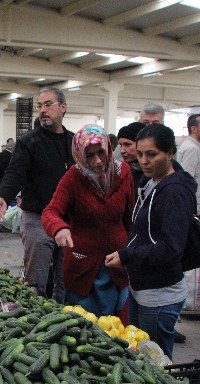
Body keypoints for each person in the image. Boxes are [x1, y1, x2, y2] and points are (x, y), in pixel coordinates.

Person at [105, 124, 196, 360]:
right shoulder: (152, 183)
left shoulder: (174, 192)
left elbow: (170, 249)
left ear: (170, 153)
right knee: (141, 355)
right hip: (143, 288)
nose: (144, 161)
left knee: (158, 364)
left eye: (152, 154)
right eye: (141, 154)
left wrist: (128, 256)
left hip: (160, 295)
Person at [0, 87, 75, 302]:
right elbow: (15, 172)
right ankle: (38, 324)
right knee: (36, 279)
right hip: (38, 219)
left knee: (66, 277)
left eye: (48, 104)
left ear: (63, 108)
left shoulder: (74, 142)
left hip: (68, 220)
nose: (42, 110)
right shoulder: (29, 141)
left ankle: (65, 318)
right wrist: (2, 196)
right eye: (40, 106)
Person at [42, 125, 134, 316]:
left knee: (119, 326)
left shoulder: (123, 173)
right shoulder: (73, 178)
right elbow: (51, 212)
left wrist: (131, 251)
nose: (98, 161)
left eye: (100, 152)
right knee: (87, 327)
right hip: (84, 268)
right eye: (89, 155)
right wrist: (60, 229)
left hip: (117, 262)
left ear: (108, 148)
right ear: (80, 156)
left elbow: (129, 216)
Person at [177, 114, 200, 222]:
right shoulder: (192, 149)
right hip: (198, 212)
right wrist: (194, 208)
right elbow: (185, 181)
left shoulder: (193, 148)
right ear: (193, 129)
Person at [117, 122, 146, 189]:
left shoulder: (154, 173)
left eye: (127, 144)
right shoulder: (120, 171)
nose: (122, 151)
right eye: (120, 145)